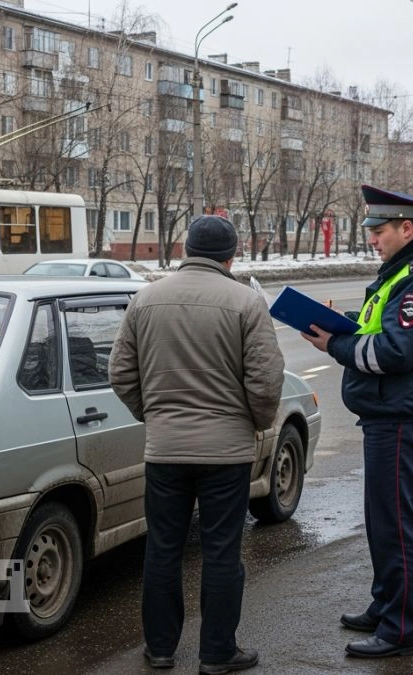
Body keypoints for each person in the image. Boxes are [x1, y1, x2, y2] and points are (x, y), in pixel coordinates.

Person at [109, 214, 284, 674]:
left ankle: (161, 649)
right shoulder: (246, 303)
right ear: (231, 256)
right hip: (226, 454)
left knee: (162, 550)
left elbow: (119, 373)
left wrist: (154, 415)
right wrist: (257, 425)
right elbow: (266, 381)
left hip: (165, 452)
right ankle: (217, 653)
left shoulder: (144, 299)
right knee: (222, 551)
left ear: (185, 248)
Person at [301, 185, 413, 659]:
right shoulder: (404, 273)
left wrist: (333, 345)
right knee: (381, 519)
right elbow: (379, 328)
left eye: (379, 230)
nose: (372, 238)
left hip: (401, 417)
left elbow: (393, 352)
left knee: (395, 523)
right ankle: (385, 603)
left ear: (405, 228)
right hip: (389, 414)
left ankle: (399, 630)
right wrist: (340, 324)